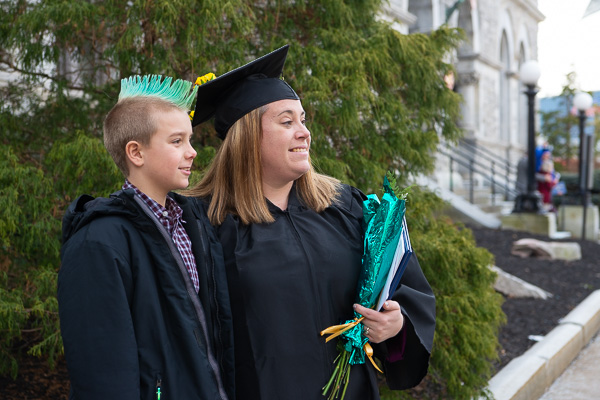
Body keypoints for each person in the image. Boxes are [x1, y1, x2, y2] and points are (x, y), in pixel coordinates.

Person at [186, 45, 436, 400]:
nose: (304, 132)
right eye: (287, 122)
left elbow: (404, 291)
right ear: (245, 139)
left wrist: (395, 325)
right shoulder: (205, 226)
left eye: (303, 120)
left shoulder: (345, 208)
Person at [58, 75, 234, 400]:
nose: (192, 152)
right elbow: (102, 372)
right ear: (136, 153)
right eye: (177, 141)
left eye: (190, 140)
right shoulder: (97, 243)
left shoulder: (193, 226)